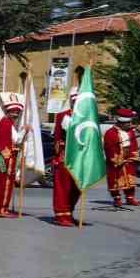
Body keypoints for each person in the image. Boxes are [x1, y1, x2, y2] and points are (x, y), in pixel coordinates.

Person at [0, 93, 27, 218]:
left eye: (17, 113)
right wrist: (25, 130)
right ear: (8, 112)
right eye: (14, 112)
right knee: (5, 184)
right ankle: (1, 209)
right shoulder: (7, 123)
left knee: (4, 184)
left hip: (3, 157)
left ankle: (2, 207)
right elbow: (17, 140)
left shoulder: (4, 122)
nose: (16, 115)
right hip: (6, 159)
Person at [51, 91, 81, 225]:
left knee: (77, 187)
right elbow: (63, 133)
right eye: (75, 100)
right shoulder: (64, 115)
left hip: (79, 158)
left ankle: (69, 212)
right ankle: (61, 215)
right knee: (64, 186)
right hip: (65, 156)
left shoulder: (87, 116)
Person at [105, 107, 140, 208]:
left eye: (130, 123)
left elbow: (134, 144)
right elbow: (109, 148)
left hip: (129, 157)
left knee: (130, 178)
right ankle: (117, 198)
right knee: (115, 178)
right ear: (121, 123)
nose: (129, 125)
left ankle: (130, 198)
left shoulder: (130, 132)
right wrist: (117, 158)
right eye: (127, 123)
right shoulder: (110, 132)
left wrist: (133, 155)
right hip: (117, 158)